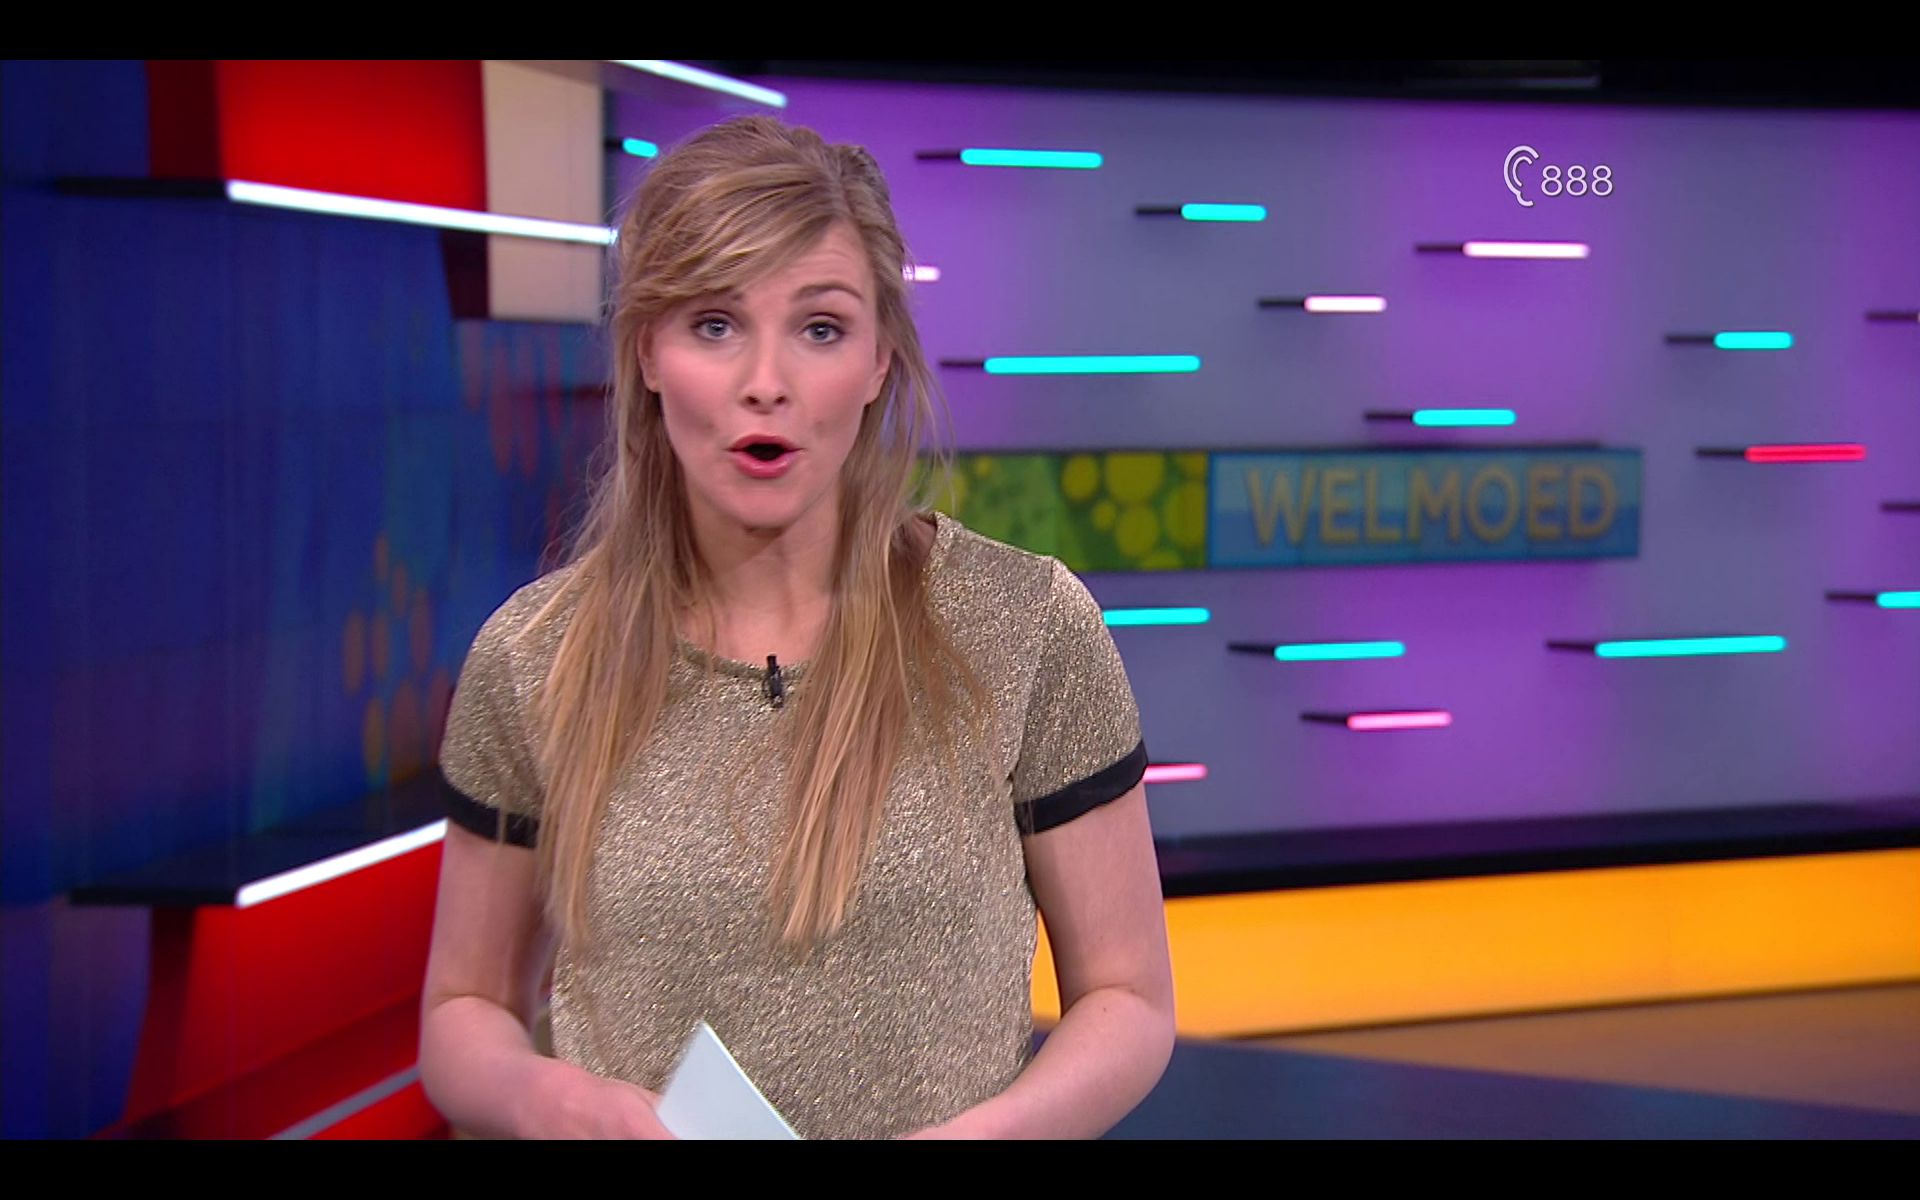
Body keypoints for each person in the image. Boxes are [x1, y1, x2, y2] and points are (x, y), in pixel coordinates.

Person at [417, 114, 1174, 1140]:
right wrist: (557, 1102)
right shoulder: (535, 657)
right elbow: (464, 1009)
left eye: (820, 328)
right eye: (714, 324)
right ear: (646, 352)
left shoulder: (1022, 627)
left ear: (879, 359)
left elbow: (1128, 998)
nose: (764, 382)